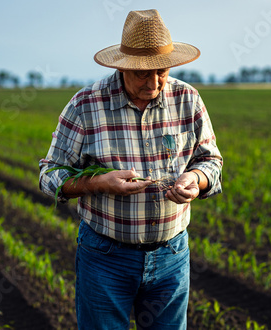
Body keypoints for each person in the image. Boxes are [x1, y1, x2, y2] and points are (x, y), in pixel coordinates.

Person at [39, 9, 222, 329]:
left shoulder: (187, 99)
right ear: (123, 66)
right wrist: (97, 183)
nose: (154, 82)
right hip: (105, 258)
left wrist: (196, 179)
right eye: (142, 74)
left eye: (162, 71)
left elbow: (210, 161)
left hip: (172, 256)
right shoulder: (86, 105)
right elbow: (49, 175)